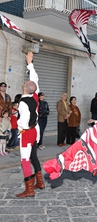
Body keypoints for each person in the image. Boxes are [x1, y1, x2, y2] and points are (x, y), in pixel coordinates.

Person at [16, 51, 45, 198]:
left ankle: (29, 190)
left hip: (27, 132)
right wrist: (30, 63)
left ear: (26, 88)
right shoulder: (34, 95)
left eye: (26, 83)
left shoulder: (23, 102)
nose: (25, 82)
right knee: (33, 156)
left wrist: (19, 127)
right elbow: (34, 79)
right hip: (35, 131)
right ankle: (39, 182)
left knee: (25, 160)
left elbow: (25, 120)